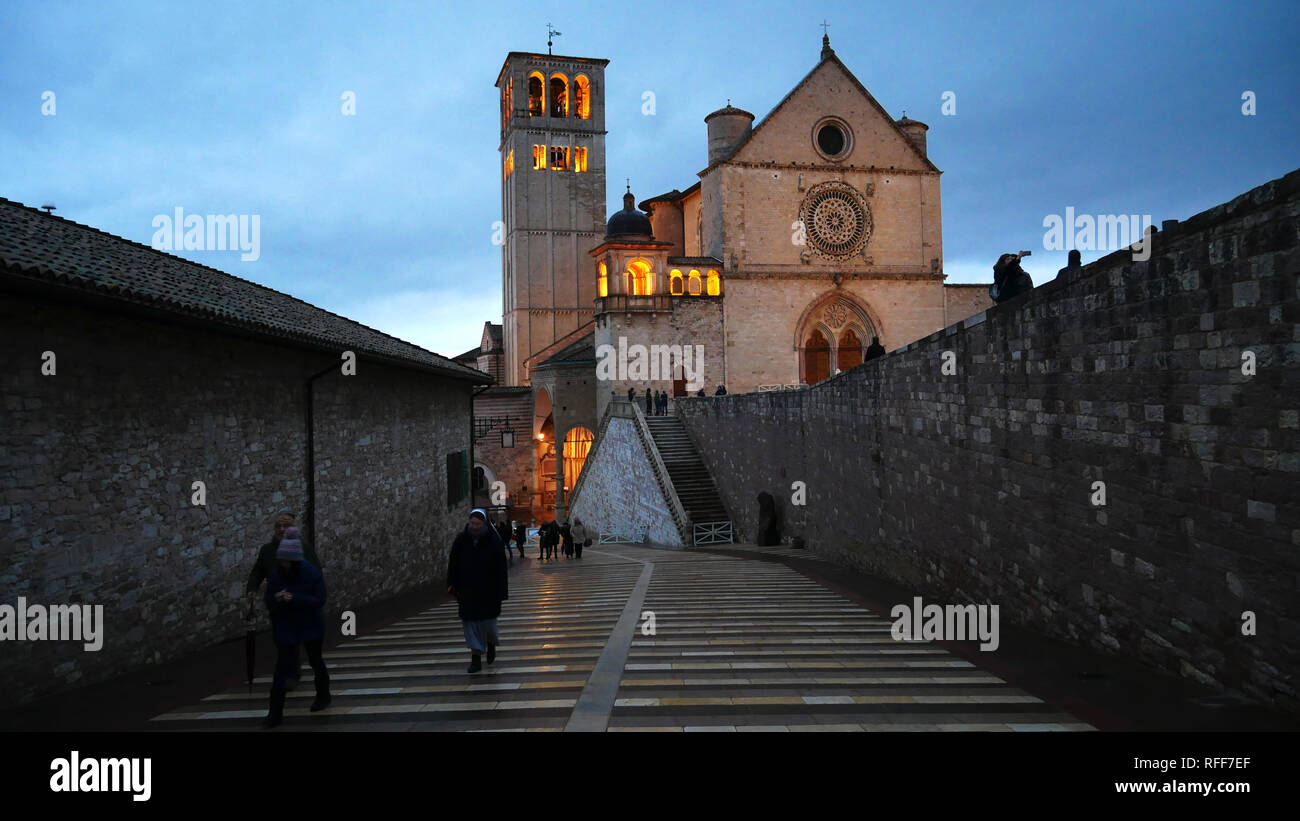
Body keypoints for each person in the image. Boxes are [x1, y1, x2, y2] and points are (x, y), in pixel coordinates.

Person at [262, 527, 330, 728]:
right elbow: (269, 598)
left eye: (286, 560)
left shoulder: (311, 574)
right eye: (281, 560)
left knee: (315, 660)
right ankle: (274, 713)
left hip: (309, 624)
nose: (283, 564)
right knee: (282, 668)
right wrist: (275, 598)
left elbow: (319, 599)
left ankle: (323, 696)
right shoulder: (276, 575)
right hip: (287, 625)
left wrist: (294, 598)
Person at [247, 509, 321, 691]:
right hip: (278, 605)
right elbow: (258, 570)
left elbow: (316, 573)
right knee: (284, 642)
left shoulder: (303, 549)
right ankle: (290, 674)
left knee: (301, 643)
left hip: (298, 603)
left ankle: (310, 677)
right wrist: (252, 588)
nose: (281, 529)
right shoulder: (267, 551)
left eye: (285, 526)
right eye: (278, 526)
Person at [447, 509, 509, 674]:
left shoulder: (494, 541)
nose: (474, 526)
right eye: (472, 523)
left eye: (477, 523)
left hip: (488, 592)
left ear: (484, 524)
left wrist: (501, 592)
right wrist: (452, 585)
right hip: (467, 592)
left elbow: (501, 569)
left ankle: (490, 644)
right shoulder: (461, 540)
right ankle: (475, 659)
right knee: (470, 626)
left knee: (488, 626)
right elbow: (453, 563)